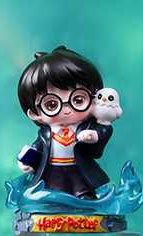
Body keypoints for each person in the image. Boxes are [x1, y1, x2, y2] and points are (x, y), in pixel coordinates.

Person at [16, 46, 114, 199]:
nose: (66, 109)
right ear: (35, 114)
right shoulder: (45, 135)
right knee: (51, 195)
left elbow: (103, 131)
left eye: (78, 100)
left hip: (79, 171)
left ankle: (83, 200)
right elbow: (38, 149)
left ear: (94, 99)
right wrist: (28, 163)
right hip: (52, 172)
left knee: (83, 194)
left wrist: (93, 136)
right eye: (51, 104)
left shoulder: (87, 127)